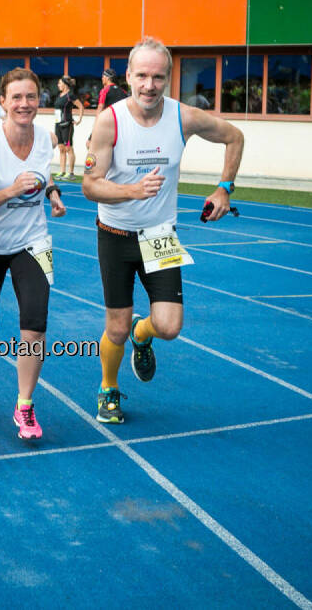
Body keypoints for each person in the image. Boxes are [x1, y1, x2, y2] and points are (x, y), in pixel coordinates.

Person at [81, 37, 243, 424]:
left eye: (157, 77)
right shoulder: (110, 120)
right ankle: (108, 388)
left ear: (169, 78)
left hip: (159, 237)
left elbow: (235, 136)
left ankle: (144, 333)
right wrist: (130, 191)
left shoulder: (183, 117)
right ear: (128, 76)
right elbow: (90, 185)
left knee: (169, 327)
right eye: (142, 76)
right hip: (116, 234)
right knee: (115, 328)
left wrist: (225, 188)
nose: (149, 85)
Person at [0, 68, 66, 440]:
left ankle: (24, 406)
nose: (24, 104)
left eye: (31, 97)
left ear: (40, 101)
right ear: (2, 102)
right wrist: (11, 191)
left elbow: (43, 174)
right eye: (16, 97)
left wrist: (52, 195)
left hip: (32, 242)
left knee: (35, 325)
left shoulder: (46, 139)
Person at [86, 67, 128, 154]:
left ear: (107, 78)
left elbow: (100, 110)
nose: (101, 78)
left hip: (106, 125)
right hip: (121, 127)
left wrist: (94, 130)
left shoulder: (105, 90)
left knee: (90, 145)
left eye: (103, 76)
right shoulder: (123, 92)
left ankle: (96, 167)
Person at [53, 75, 82, 180]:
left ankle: (71, 173)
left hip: (67, 125)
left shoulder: (70, 96)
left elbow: (80, 106)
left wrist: (79, 119)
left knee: (68, 148)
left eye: (59, 83)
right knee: (61, 148)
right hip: (58, 125)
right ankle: (62, 171)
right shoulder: (59, 95)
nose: (58, 85)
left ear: (65, 84)